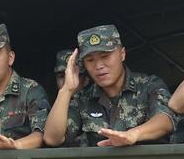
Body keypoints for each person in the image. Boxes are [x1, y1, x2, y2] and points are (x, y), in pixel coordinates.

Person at [43, 25, 177, 147]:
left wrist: (132, 135)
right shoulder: (83, 98)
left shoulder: (148, 85)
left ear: (122, 54)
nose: (99, 66)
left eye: (105, 56)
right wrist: (66, 90)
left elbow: (165, 120)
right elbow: (52, 139)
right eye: (90, 60)